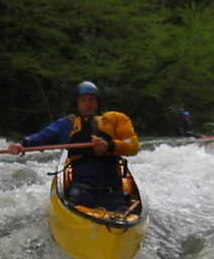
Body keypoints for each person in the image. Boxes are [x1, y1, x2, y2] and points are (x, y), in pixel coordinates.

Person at [9, 81, 139, 210]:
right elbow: (42, 136)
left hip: (112, 191)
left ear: (98, 102)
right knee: (74, 202)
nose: (88, 104)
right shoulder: (67, 124)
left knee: (121, 209)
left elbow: (133, 146)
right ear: (77, 104)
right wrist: (22, 144)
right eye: (83, 100)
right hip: (82, 190)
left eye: (91, 99)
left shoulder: (113, 121)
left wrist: (109, 146)